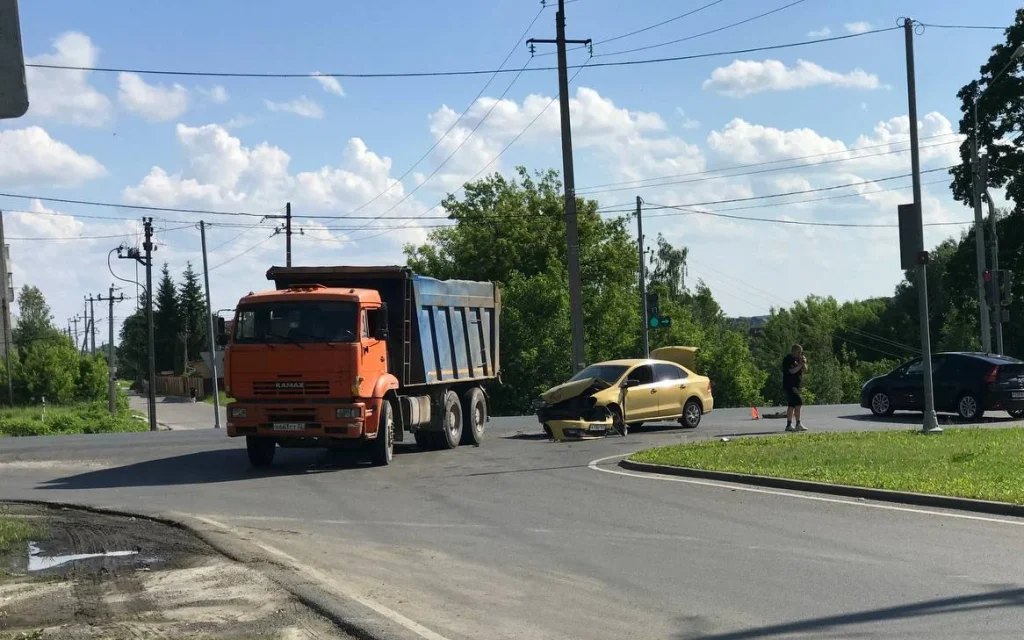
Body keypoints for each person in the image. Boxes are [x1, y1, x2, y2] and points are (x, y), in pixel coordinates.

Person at [781, 344, 808, 432]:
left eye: (801, 352)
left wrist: (803, 362)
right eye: (798, 352)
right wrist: (801, 364)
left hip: (796, 385)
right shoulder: (788, 359)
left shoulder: (798, 359)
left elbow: (804, 370)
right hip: (790, 385)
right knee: (798, 402)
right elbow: (792, 371)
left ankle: (789, 425)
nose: (800, 354)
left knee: (792, 404)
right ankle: (798, 423)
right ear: (794, 351)